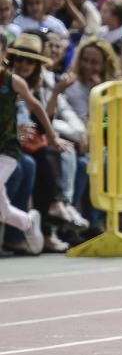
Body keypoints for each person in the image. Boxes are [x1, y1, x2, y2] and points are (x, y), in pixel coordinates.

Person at [0, 34, 59, 254]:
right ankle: (26, 222)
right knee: (2, 209)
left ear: (4, 54)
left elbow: (36, 107)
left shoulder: (12, 81)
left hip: (6, 151)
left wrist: (52, 136)